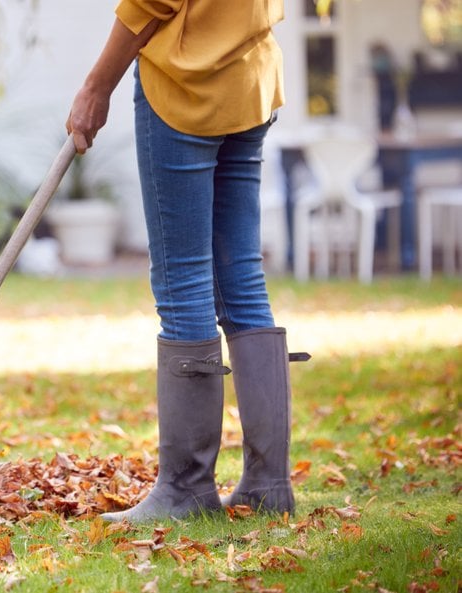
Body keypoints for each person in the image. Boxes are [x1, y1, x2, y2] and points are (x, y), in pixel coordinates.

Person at [66, 1, 307, 522]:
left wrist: (96, 86)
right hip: (251, 79)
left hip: (185, 88)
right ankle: (268, 484)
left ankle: (186, 488)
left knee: (184, 283)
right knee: (242, 276)